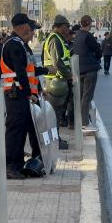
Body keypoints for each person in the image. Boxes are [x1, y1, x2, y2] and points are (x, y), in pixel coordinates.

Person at [0, 13, 48, 179]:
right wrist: (30, 95)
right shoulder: (14, 45)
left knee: (21, 131)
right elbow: (20, 72)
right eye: (28, 27)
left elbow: (29, 71)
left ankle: (18, 164)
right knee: (15, 131)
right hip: (16, 93)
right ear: (22, 27)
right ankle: (10, 166)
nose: (31, 31)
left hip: (20, 94)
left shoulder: (19, 44)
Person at [42, 15, 72, 149]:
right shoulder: (55, 39)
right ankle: (54, 141)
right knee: (54, 114)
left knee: (57, 113)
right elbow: (57, 62)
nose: (68, 29)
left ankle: (55, 138)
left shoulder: (58, 38)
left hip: (57, 80)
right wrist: (69, 75)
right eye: (67, 26)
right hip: (55, 82)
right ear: (61, 26)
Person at [74, 15, 102, 133]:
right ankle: (84, 123)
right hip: (90, 69)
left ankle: (81, 121)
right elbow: (97, 50)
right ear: (89, 23)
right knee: (87, 97)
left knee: (81, 97)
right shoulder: (88, 36)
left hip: (79, 69)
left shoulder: (77, 35)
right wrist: (96, 57)